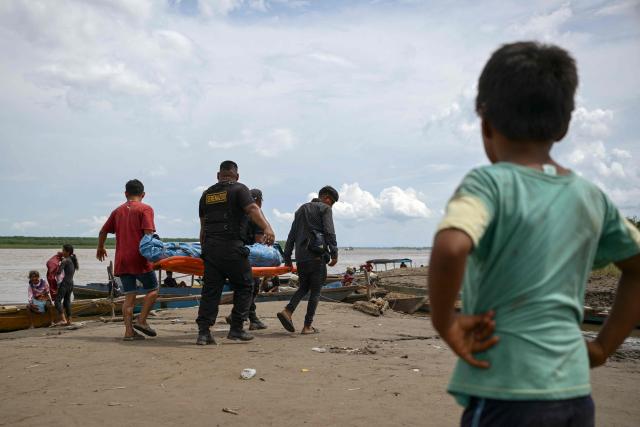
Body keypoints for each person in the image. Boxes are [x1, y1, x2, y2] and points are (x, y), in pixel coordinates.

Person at [428, 41, 640, 427]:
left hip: (505, 394)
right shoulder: (591, 197)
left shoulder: (488, 184)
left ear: (485, 121)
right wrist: (604, 346)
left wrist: (444, 322)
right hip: (575, 395)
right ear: (564, 125)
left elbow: (451, 246)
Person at [196, 161, 275, 345]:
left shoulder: (206, 195)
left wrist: (205, 251)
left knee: (210, 291)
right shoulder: (240, 189)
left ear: (218, 175)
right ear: (236, 176)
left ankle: (203, 333)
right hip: (231, 248)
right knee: (246, 285)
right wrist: (267, 227)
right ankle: (237, 329)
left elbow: (203, 228)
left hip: (210, 249)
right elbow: (253, 209)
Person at [97, 179, 159, 341]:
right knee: (153, 289)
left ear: (126, 194)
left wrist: (100, 247)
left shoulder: (117, 211)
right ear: (143, 194)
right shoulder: (145, 209)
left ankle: (129, 332)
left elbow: (102, 231)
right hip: (139, 258)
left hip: (122, 260)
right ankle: (142, 320)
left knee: (129, 296)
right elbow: (148, 234)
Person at [277, 186, 339, 334]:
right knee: (316, 291)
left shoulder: (300, 210)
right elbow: (329, 232)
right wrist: (334, 253)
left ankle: (288, 311)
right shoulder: (325, 208)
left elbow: (291, 235)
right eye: (332, 203)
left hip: (301, 258)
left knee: (304, 287)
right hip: (316, 256)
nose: (331, 206)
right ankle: (307, 326)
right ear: (328, 199)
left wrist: (287, 259)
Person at [226, 188, 269, 330]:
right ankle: (245, 317)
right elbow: (258, 241)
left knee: (243, 287)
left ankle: (244, 316)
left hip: (233, 254)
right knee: (252, 287)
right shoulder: (256, 215)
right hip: (249, 257)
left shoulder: (238, 214)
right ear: (258, 200)